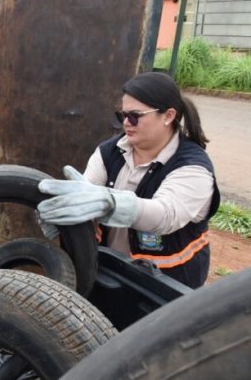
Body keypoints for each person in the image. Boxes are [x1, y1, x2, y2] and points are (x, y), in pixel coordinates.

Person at [37, 72, 220, 288]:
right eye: (122, 115)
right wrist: (63, 218)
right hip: (110, 275)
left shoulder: (193, 167)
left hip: (164, 289)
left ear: (168, 116)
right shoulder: (109, 152)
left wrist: (111, 203)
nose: (126, 123)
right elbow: (87, 194)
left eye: (135, 116)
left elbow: (166, 215)